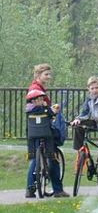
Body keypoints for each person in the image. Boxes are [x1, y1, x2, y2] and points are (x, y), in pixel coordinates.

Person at [25, 63, 67, 198]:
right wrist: (53, 110)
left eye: (49, 74)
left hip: (33, 129)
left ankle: (30, 189)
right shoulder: (37, 90)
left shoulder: (35, 88)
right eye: (46, 74)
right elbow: (41, 109)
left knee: (35, 159)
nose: (49, 77)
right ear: (38, 75)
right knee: (52, 156)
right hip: (43, 128)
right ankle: (58, 189)